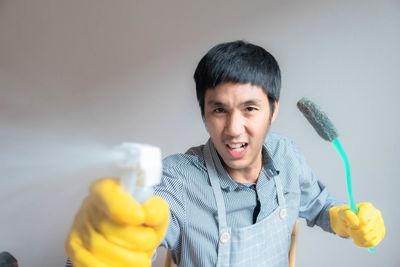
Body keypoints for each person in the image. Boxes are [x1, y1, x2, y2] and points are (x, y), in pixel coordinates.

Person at [65, 40, 385, 267]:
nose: (233, 129)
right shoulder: (179, 180)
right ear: (204, 113)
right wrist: (109, 245)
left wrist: (343, 219)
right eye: (219, 109)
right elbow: (142, 228)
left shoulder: (287, 155)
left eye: (249, 109)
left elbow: (317, 204)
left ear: (273, 110)